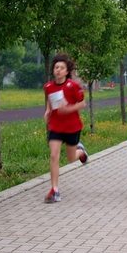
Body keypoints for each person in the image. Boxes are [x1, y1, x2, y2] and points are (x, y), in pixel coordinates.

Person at [43, 53, 88, 203]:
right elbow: (51, 100)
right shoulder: (48, 86)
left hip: (72, 126)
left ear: (67, 71)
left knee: (70, 159)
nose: (58, 70)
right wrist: (48, 110)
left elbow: (82, 104)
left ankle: (80, 152)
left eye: (62, 68)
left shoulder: (73, 86)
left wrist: (69, 109)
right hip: (55, 125)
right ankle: (54, 190)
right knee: (54, 155)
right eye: (56, 67)